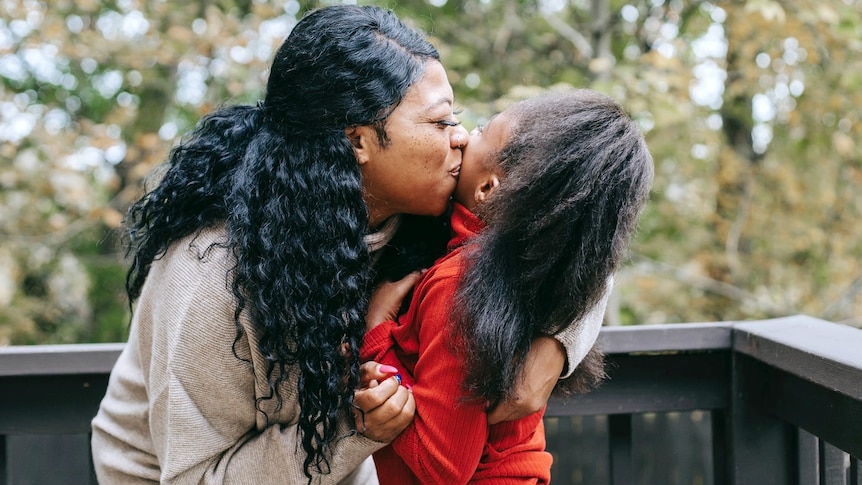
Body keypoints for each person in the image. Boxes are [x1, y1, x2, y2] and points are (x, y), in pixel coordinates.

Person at [90, 5, 465, 484]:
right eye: (440, 123)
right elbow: (193, 476)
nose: (461, 138)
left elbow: (565, 223)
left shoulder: (426, 204)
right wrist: (354, 427)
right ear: (358, 142)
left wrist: (555, 348)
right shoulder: (214, 272)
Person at [361, 89, 655, 484]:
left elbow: (443, 466)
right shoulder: (524, 269)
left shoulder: (458, 285)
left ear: (488, 190)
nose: (462, 135)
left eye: (480, 130)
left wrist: (377, 334)